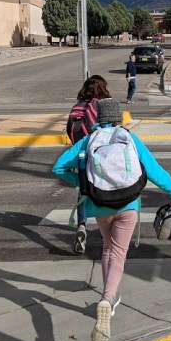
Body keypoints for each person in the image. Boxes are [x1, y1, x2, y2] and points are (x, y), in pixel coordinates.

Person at [51, 98, 171, 341]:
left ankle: (109, 297)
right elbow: (156, 171)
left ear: (98, 119)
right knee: (118, 253)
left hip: (100, 206)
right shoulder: (129, 139)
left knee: (107, 248)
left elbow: (58, 167)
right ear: (119, 119)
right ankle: (108, 297)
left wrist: (83, 185)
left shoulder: (87, 141)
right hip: (128, 205)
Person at [65, 75, 112, 255]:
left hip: (81, 153)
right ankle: (104, 229)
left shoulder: (78, 104)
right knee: (104, 187)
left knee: (83, 190)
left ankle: (81, 226)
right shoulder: (101, 104)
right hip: (98, 153)